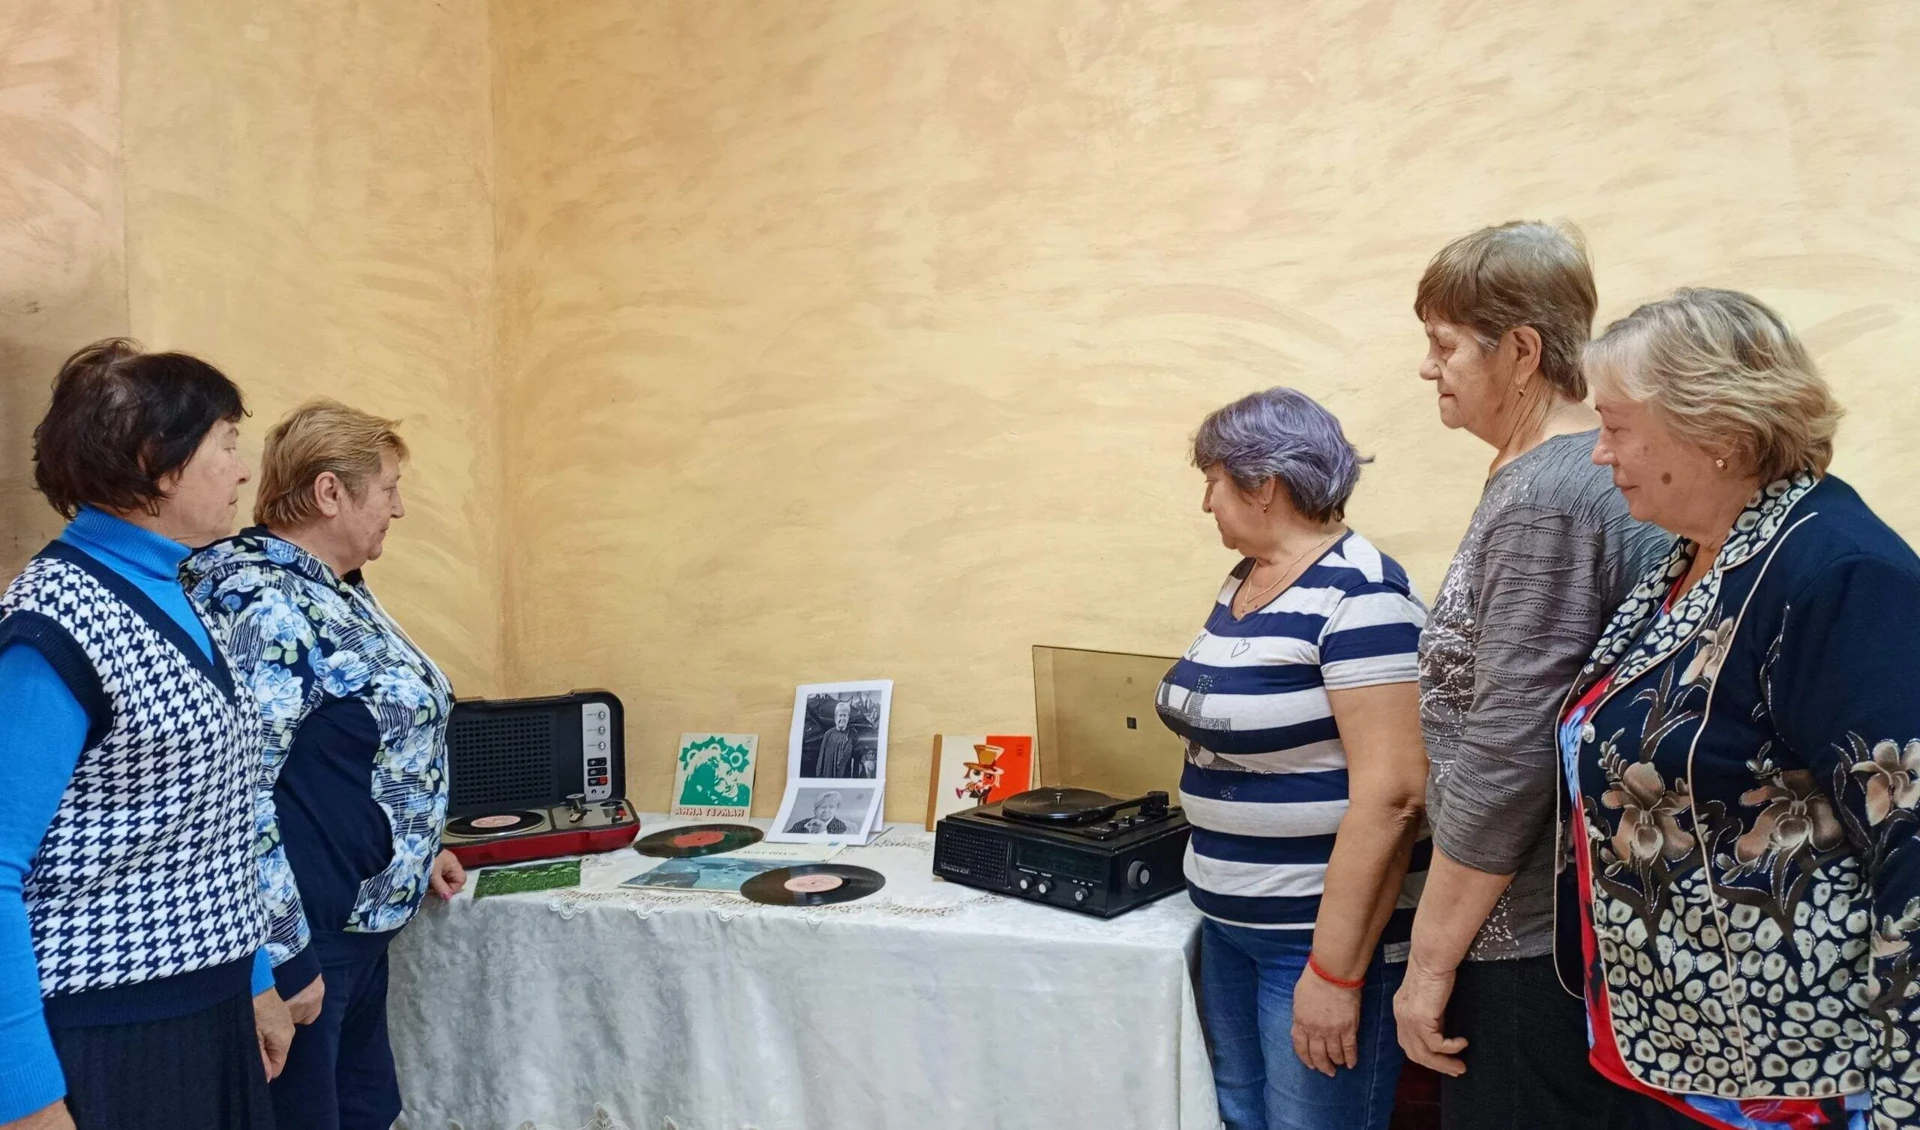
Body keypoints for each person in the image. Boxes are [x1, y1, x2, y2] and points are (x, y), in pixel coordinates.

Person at [1561, 288, 1920, 1127]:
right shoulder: (1695, 554)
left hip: (1795, 1076)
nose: (1599, 453)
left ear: (1719, 433)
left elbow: (1912, 846)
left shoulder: (1837, 572)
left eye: (1615, 427)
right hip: (1676, 1047)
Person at [1390, 222, 1670, 1129]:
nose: (1428, 368)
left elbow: (1508, 754)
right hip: (1556, 922)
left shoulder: (1546, 497)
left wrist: (1428, 963)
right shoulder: (1555, 478)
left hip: (1527, 938)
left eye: (1443, 345)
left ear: (1519, 352)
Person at [0, 339, 291, 1130]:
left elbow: (206, 819)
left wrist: (253, 977)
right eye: (226, 444)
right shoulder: (55, 620)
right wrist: (24, 1098)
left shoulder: (174, 589)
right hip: (111, 1033)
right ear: (156, 461)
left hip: (207, 1007)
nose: (242, 471)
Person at [183, 399, 462, 1130]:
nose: (398, 509)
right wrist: (286, 958)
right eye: (389, 489)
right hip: (308, 936)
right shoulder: (260, 600)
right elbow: (239, 793)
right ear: (330, 492)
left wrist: (417, 845)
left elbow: (357, 743)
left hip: (358, 919)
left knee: (366, 1108)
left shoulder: (332, 587)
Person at [1156, 388, 1429, 1130]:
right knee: (1238, 1115)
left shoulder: (1363, 595)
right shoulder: (1249, 579)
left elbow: (1396, 796)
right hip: (1229, 925)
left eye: (1212, 481)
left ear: (1263, 485)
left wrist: (1335, 974)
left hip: (1312, 943)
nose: (1206, 502)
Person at [813, 702, 859, 777]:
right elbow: (821, 758)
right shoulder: (828, 734)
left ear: (848, 717)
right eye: (840, 715)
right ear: (835, 717)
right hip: (828, 775)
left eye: (845, 715)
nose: (842, 718)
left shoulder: (852, 734)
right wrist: (819, 776)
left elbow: (857, 757)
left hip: (844, 776)